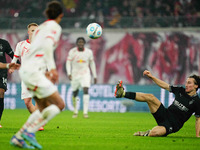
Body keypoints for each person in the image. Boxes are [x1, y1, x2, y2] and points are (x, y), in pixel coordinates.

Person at [10, 1, 65, 149]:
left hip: (27, 72)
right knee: (60, 104)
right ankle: (29, 132)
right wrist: (52, 69)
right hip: (35, 72)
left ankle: (19, 137)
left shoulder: (40, 28)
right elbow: (47, 46)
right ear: (61, 15)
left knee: (42, 107)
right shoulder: (55, 27)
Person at [115, 70, 200, 137]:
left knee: (154, 133)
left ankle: (147, 133)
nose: (186, 85)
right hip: (165, 113)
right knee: (150, 97)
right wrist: (151, 77)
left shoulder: (197, 101)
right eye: (186, 82)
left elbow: (198, 119)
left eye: (189, 83)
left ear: (196, 86)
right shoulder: (180, 90)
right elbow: (165, 85)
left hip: (173, 124)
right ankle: (122, 93)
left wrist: (197, 135)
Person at [10, 23, 44, 131]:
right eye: (33, 30)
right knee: (27, 102)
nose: (35, 32)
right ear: (28, 32)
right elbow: (15, 58)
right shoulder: (21, 45)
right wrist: (11, 67)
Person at [66, 37, 97, 118]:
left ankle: (85, 112)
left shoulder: (89, 52)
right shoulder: (72, 52)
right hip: (75, 74)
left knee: (86, 90)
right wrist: (69, 73)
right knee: (75, 92)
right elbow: (68, 63)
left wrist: (95, 75)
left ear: (84, 43)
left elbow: (92, 63)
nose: (80, 44)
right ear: (77, 43)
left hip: (85, 74)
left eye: (82, 42)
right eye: (79, 42)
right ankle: (75, 111)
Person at [0, 38, 20, 128]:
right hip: (4, 66)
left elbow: (13, 55)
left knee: (1, 92)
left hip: (2, 72)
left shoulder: (4, 43)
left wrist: (16, 65)